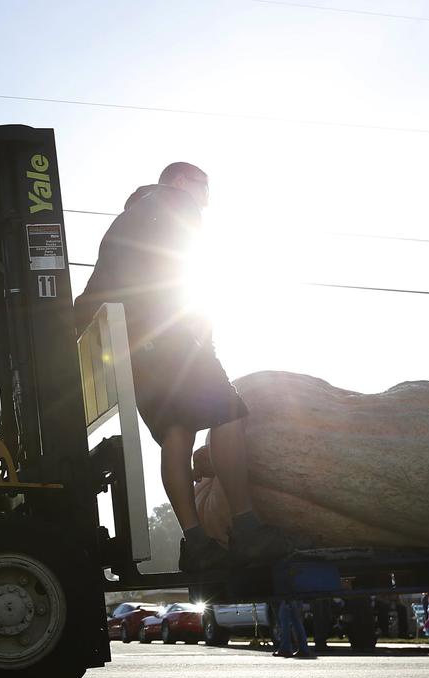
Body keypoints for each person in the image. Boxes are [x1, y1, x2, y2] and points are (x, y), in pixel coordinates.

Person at [74, 162, 288, 571]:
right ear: (177, 180)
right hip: (174, 335)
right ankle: (248, 529)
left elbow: (93, 293)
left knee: (177, 433)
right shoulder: (174, 202)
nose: (206, 197)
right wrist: (200, 329)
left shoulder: (121, 226)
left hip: (135, 348)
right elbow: (190, 266)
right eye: (202, 185)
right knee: (227, 414)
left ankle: (196, 544)